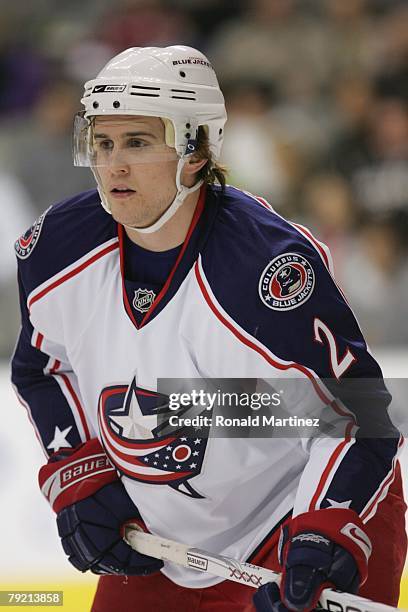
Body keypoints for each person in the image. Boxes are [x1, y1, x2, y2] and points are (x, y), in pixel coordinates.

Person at [11, 46, 406, 612]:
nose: (112, 165)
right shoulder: (56, 250)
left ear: (195, 151)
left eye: (138, 142)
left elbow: (358, 419)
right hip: (159, 541)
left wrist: (322, 533)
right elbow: (41, 367)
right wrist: (78, 471)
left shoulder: (267, 271)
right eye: (102, 143)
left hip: (297, 522)